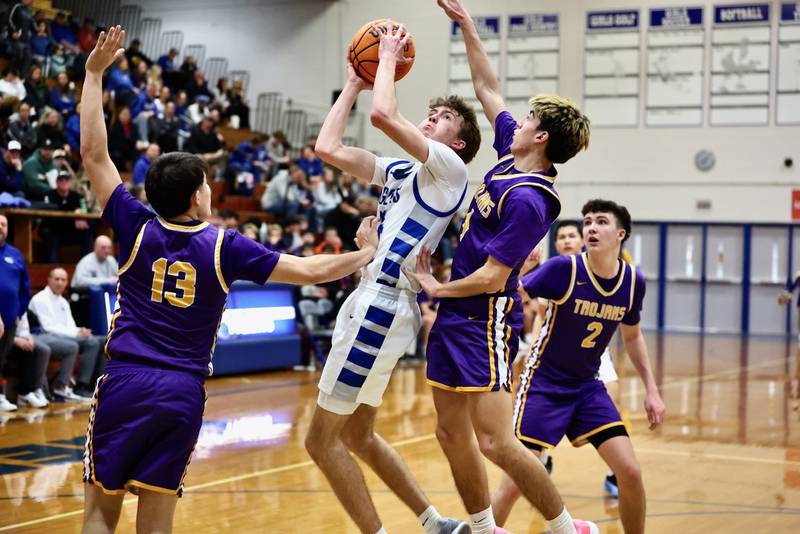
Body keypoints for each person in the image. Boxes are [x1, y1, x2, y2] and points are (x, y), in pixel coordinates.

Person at [79, 26, 381, 534]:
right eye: (206, 185)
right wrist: (364, 254)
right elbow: (308, 270)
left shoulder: (134, 225)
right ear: (198, 197)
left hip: (125, 381)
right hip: (180, 391)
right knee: (155, 521)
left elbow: (93, 155)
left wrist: (92, 74)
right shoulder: (224, 246)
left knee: (99, 513)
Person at [404, 3, 594, 534]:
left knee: (495, 441)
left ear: (542, 140)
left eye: (529, 119)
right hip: (455, 317)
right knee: (449, 433)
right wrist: (467, 27)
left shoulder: (532, 199)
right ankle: (485, 529)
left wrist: (435, 287)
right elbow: (488, 88)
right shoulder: (511, 159)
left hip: (483, 318)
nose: (516, 119)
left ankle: (562, 528)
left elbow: (492, 276)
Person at [306, 20, 481, 534]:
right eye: (432, 112)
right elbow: (328, 148)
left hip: (380, 308)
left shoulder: (450, 171)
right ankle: (435, 524)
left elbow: (385, 115)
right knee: (358, 435)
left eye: (445, 117)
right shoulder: (401, 172)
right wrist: (354, 85)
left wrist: (384, 58)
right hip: (378, 304)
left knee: (320, 442)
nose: (433, 118)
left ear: (461, 141)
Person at [491, 200, 666, 534]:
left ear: (620, 234)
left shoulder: (633, 282)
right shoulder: (564, 269)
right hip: (543, 384)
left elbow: (633, 337)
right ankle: (486, 529)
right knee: (516, 481)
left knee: (629, 471)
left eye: (601, 222)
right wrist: (522, 272)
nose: (591, 228)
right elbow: (509, 291)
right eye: (587, 222)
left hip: (587, 387)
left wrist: (652, 390)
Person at [28, 267, 103, 399]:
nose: (60, 283)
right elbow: (49, 328)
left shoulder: (63, 301)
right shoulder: (40, 299)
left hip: (66, 336)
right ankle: (81, 386)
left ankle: (97, 385)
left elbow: (70, 326)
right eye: (56, 279)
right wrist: (77, 333)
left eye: (63, 280)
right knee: (90, 343)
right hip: (45, 336)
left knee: (103, 340)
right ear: (49, 280)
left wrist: (80, 331)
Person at [0, 213, 31, 412]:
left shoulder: (15, 254)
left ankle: (1, 396)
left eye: (3, 224)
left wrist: (19, 311)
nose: (0, 227)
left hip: (10, 320)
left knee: (1, 359)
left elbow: (24, 288)